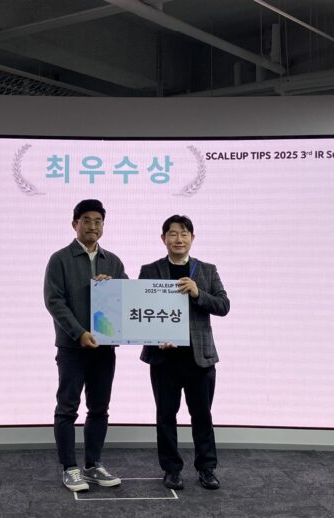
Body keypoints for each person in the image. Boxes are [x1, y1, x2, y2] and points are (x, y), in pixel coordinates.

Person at [139, 215, 230, 491]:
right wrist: (155, 339)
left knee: (202, 416)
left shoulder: (207, 270)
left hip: (199, 357)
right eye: (173, 233)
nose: (178, 239)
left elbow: (223, 305)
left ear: (192, 238)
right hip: (164, 358)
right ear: (163, 238)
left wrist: (198, 292)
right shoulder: (150, 270)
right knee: (166, 416)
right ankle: (171, 469)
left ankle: (207, 468)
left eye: (184, 233)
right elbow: (139, 311)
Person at [44, 199, 128, 492]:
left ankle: (93, 465)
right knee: (67, 408)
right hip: (72, 348)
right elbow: (54, 301)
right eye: (87, 220)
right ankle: (70, 468)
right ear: (75, 224)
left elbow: (127, 298)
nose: (93, 226)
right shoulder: (60, 259)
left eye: (98, 221)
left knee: (100, 408)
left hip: (104, 348)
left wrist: (113, 286)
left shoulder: (113, 261)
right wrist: (79, 333)